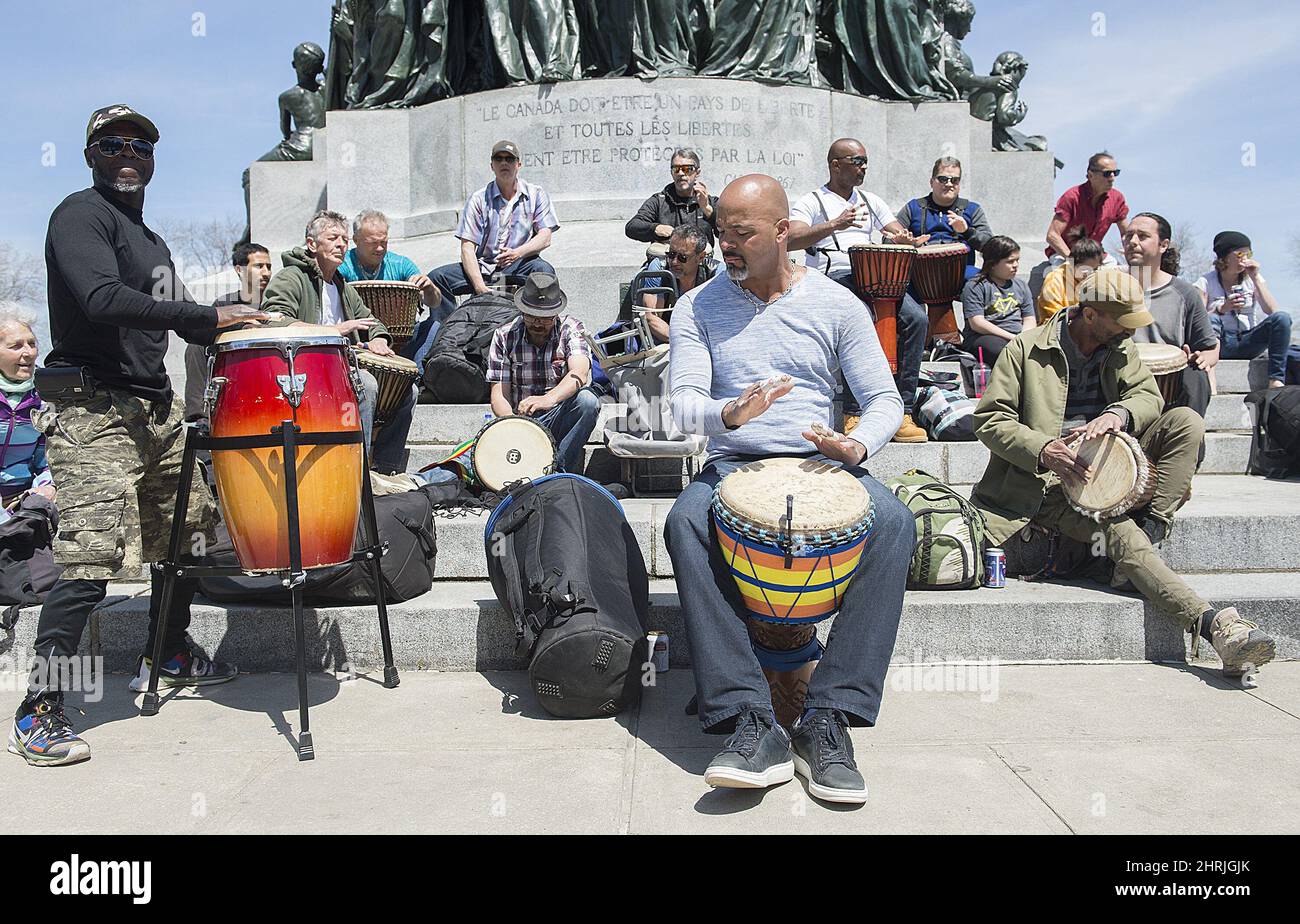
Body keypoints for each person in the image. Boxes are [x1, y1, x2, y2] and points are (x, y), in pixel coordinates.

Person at [9, 105, 268, 766]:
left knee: (192, 535)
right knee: (90, 560)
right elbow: (100, 298)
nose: (129, 152)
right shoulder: (80, 215)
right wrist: (205, 310)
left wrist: (271, 326)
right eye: (113, 143)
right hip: (92, 409)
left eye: (141, 144)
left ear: (153, 159)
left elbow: (192, 323)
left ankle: (169, 650)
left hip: (155, 412)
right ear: (92, 154)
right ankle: (40, 707)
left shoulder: (150, 242)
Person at [665, 173, 914, 804]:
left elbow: (884, 400)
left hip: (823, 467)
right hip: (733, 466)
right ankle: (748, 720)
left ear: (783, 233)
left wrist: (856, 445)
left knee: (894, 524)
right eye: (721, 232)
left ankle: (830, 718)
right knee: (685, 522)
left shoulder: (836, 305)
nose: (727, 245)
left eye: (742, 233)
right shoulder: (697, 306)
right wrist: (728, 415)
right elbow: (681, 403)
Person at [970, 268, 1274, 678]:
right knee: (1118, 531)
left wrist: (1118, 413)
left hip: (1110, 465)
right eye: (1121, 320)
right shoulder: (1024, 349)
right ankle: (1216, 627)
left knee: (1185, 421)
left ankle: (1151, 528)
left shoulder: (1120, 344)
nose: (1129, 331)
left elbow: (1147, 396)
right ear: (1090, 314)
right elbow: (990, 419)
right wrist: (1044, 450)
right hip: (1047, 485)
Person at [788, 137, 927, 442]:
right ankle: (854, 413)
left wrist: (905, 240)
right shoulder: (813, 200)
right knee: (859, 317)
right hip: (834, 278)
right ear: (835, 165)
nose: (863, 167)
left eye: (865, 161)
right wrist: (834, 225)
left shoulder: (871, 200)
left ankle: (904, 410)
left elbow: (894, 230)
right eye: (857, 161)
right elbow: (791, 239)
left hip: (875, 276)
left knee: (917, 319)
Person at [261, 209, 416, 475]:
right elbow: (273, 319)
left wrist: (378, 339)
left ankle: (384, 468)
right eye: (333, 237)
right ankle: (358, 473)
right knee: (365, 384)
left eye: (345, 239)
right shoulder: (291, 278)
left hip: (341, 368)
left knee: (407, 391)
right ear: (312, 244)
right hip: (303, 371)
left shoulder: (343, 286)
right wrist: (333, 330)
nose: (341, 244)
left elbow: (371, 321)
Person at [485, 273, 599, 475]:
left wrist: (548, 399)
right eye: (531, 316)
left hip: (559, 415)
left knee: (588, 401)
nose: (538, 323)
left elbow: (579, 373)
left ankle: (559, 472)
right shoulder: (504, 335)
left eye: (545, 318)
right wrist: (513, 424)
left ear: (556, 313)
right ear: (521, 311)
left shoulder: (571, 328)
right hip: (521, 421)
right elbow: (499, 395)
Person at [427, 140, 560, 307]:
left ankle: (541, 326)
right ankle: (447, 329)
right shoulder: (478, 199)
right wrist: (479, 287)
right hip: (483, 268)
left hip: (519, 265)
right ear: (492, 165)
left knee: (544, 272)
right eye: (498, 158)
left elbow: (545, 237)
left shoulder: (535, 194)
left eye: (509, 159)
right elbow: (467, 248)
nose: (504, 162)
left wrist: (517, 253)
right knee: (437, 278)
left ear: (518, 164)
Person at [1123, 213, 1217, 417]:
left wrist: (1202, 358)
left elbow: (1210, 348)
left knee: (1196, 376)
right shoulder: (1107, 288)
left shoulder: (1185, 293)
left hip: (1169, 387)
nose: (1132, 242)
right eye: (1128, 235)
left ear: (1163, 245)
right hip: (1119, 382)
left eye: (1142, 236)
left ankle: (1188, 438)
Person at [338, 209, 445, 370]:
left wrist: (429, 288)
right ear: (356, 240)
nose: (380, 248)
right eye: (373, 243)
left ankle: (415, 377)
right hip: (359, 338)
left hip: (400, 338)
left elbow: (434, 302)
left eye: (384, 242)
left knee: (433, 327)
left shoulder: (401, 264)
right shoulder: (343, 265)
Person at [183, 242, 273, 424]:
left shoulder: (277, 300)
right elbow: (207, 335)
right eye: (258, 266)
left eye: (268, 267)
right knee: (195, 346)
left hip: (271, 370)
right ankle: (200, 417)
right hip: (234, 370)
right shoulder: (225, 304)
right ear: (239, 270)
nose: (266, 273)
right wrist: (242, 327)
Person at [1196, 231, 1298, 388]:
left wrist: (1256, 277)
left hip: (1248, 340)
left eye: (1248, 253)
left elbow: (1272, 310)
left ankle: (1275, 380)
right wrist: (1221, 309)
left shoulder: (1252, 279)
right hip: (1220, 343)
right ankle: (1210, 377)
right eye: (1239, 253)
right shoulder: (1205, 281)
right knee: (1211, 319)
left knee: (1282, 318)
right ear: (1224, 257)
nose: (1244, 258)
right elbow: (1198, 322)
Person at [0, 312, 56, 519]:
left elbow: (47, 461)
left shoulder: (46, 397)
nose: (29, 353)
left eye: (31, 344)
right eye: (16, 346)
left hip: (20, 499)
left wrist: (46, 487)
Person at [896, 156, 993, 274]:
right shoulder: (913, 208)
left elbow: (991, 246)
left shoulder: (972, 209)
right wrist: (905, 241)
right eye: (943, 179)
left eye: (954, 180)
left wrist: (967, 231)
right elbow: (888, 238)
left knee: (981, 283)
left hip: (961, 273)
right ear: (931, 182)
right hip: (919, 273)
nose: (949, 184)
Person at [624, 147, 718, 258]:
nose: (681, 173)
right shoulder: (659, 201)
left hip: (700, 263)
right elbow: (632, 227)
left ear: (697, 173)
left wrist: (707, 210)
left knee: (721, 272)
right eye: (676, 169)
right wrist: (655, 228)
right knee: (648, 271)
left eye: (687, 169)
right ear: (671, 173)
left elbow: (727, 230)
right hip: (666, 262)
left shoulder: (710, 202)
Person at [632, 225, 718, 344]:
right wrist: (684, 342)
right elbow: (651, 317)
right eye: (671, 254)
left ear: (700, 257)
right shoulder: (659, 269)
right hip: (667, 342)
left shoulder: (716, 274)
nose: (674, 262)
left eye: (683, 257)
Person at [960, 235, 1035, 367]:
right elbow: (977, 323)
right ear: (993, 263)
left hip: (1018, 336)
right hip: (985, 337)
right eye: (1010, 261)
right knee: (1002, 351)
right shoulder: (975, 286)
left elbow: (1029, 318)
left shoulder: (1021, 286)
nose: (1016, 265)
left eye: (1017, 260)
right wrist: (1012, 338)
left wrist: (1024, 337)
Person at [1045, 151, 1129, 263]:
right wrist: (1073, 261)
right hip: (1065, 254)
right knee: (1063, 274)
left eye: (1115, 173)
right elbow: (1052, 235)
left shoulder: (1117, 198)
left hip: (1096, 255)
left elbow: (1126, 234)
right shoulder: (1072, 197)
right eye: (1107, 173)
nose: (1112, 178)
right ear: (1090, 175)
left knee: (1114, 275)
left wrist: (1131, 253)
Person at [1036, 237, 1105, 323]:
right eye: (1085, 269)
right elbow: (1057, 315)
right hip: (1057, 329)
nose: (1090, 274)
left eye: (1095, 269)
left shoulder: (1093, 280)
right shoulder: (1054, 280)